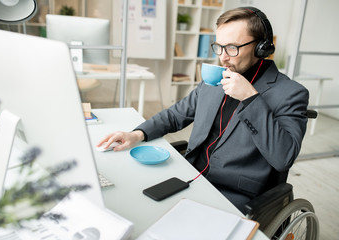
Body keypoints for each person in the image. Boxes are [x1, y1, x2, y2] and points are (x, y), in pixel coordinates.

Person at [97, 7, 309, 213]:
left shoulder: (290, 93)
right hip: (190, 175)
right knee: (129, 203)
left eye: (232, 48)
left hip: (234, 193)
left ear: (261, 47)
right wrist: (137, 134)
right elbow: (175, 114)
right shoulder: (215, 78)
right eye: (219, 47)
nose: (223, 57)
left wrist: (250, 98)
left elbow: (283, 157)